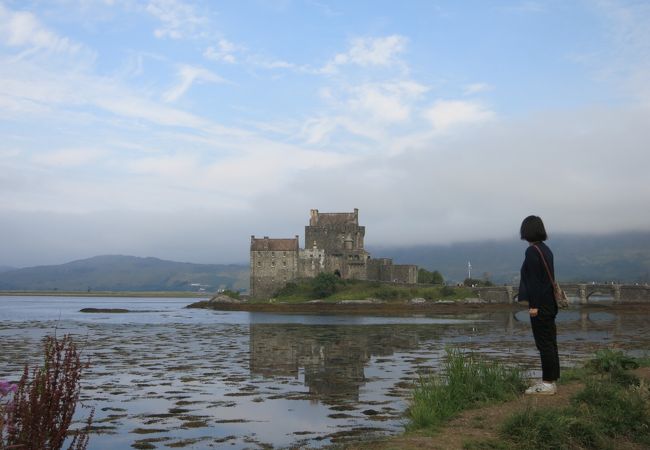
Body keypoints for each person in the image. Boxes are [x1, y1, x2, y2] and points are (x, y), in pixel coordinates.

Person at [518, 215, 560, 395]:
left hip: (540, 305)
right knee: (550, 342)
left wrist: (534, 306)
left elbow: (535, 282)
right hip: (550, 303)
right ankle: (551, 379)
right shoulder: (546, 250)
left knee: (544, 343)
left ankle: (548, 384)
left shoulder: (532, 251)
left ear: (526, 231)